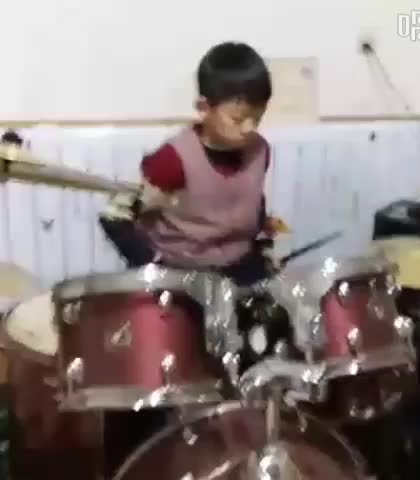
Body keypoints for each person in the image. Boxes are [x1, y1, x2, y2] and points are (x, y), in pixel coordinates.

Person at [99, 41, 286, 475]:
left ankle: (242, 452)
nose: (249, 128)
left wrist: (263, 243)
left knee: (262, 358)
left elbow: (248, 204)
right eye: (238, 118)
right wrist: (153, 266)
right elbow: (115, 217)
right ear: (204, 108)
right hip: (180, 276)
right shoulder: (172, 160)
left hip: (238, 271)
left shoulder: (261, 151)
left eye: (257, 117)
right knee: (160, 380)